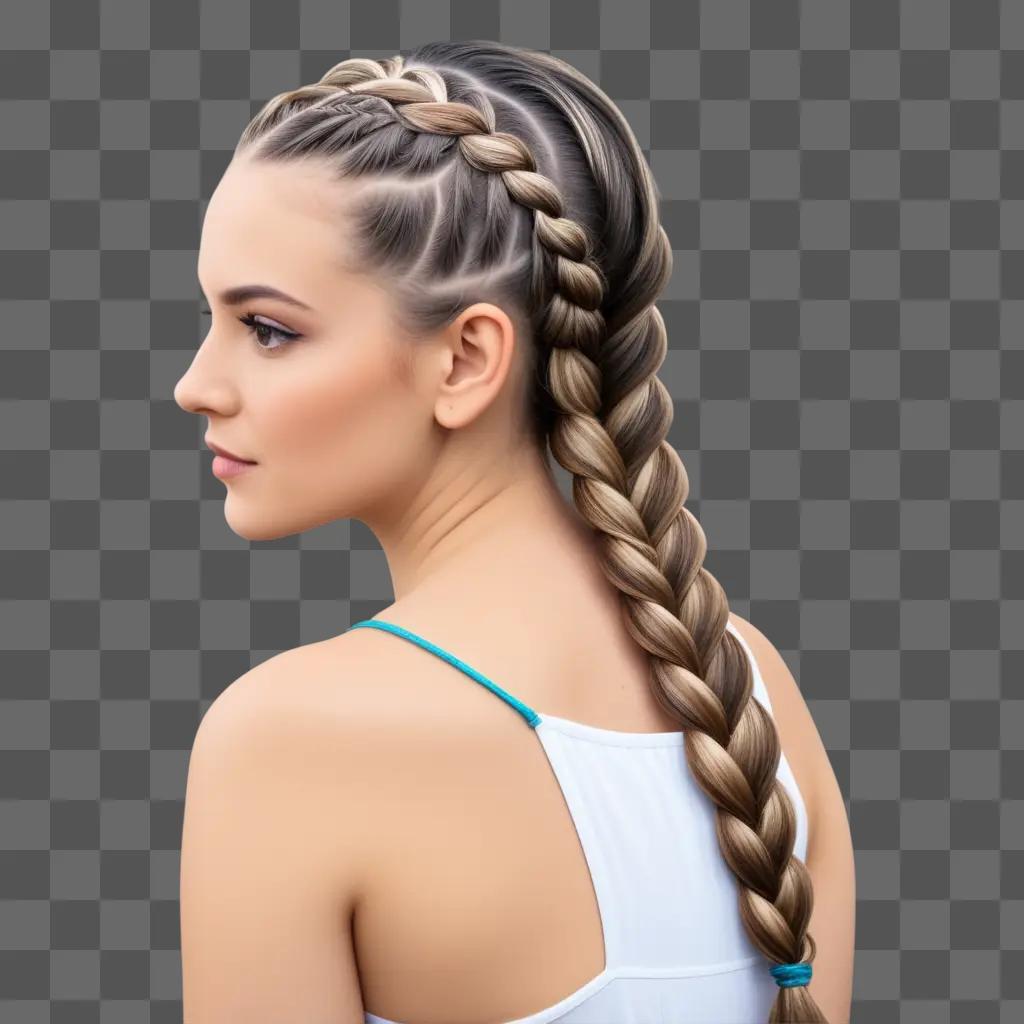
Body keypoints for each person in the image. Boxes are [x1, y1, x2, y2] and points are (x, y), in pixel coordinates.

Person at [173, 40, 855, 1024]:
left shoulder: (287, 740)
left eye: (268, 328)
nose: (197, 384)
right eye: (210, 318)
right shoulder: (745, 684)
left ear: (465, 359)